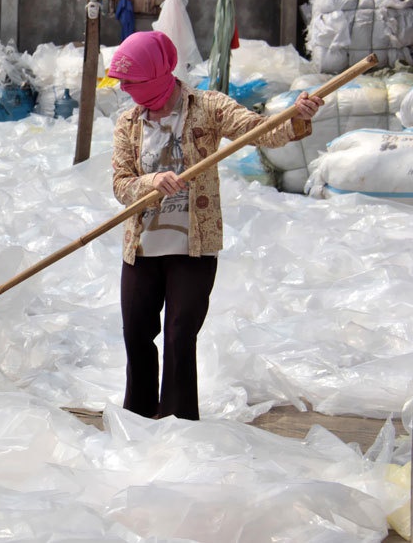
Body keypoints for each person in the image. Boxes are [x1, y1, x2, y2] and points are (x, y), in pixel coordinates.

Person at [107, 31, 323, 420]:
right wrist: (150, 183)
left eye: (132, 81)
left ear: (157, 74)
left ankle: (176, 422)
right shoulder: (128, 123)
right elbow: (121, 183)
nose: (125, 89)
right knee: (136, 335)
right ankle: (137, 419)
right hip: (142, 247)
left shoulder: (206, 107)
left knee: (178, 336)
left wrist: (296, 118)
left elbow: (261, 131)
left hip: (193, 245)